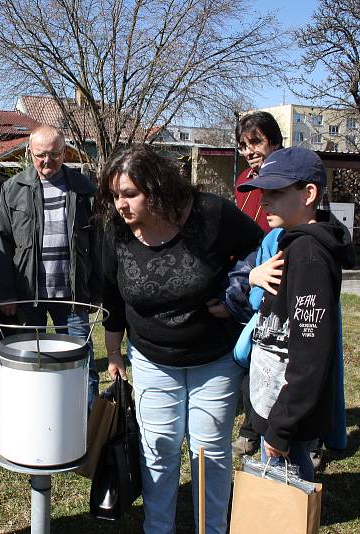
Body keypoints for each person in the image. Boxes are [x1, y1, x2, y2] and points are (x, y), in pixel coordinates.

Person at [98, 144, 263, 534]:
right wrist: (113, 352)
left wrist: (234, 292)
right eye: (114, 195)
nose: (120, 204)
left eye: (130, 194)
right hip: (151, 357)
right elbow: (111, 294)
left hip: (214, 358)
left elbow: (259, 247)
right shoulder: (116, 232)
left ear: (157, 189)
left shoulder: (209, 213)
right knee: (159, 449)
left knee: (210, 453)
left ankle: (213, 528)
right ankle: (158, 529)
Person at [237, 147, 354, 482]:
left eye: (276, 192)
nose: (264, 201)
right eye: (263, 192)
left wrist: (282, 425)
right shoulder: (294, 243)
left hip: (285, 413)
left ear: (309, 193)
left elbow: (310, 352)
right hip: (277, 405)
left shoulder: (308, 255)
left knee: (286, 488)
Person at [0, 125, 100, 409]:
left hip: (73, 295)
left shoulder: (84, 188)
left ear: (64, 152)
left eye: (54, 155)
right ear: (30, 153)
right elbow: (2, 244)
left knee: (82, 363)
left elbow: (99, 243)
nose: (46, 161)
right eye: (40, 155)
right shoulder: (13, 188)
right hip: (30, 296)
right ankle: (39, 419)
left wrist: (97, 292)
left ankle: (87, 425)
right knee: (32, 364)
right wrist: (7, 293)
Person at [232, 111, 284, 457]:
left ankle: (298, 433)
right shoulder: (242, 181)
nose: (250, 150)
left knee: (284, 356)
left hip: (281, 269)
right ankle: (252, 427)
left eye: (256, 142)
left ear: (275, 141)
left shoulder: (288, 175)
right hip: (250, 273)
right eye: (244, 145)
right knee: (254, 354)